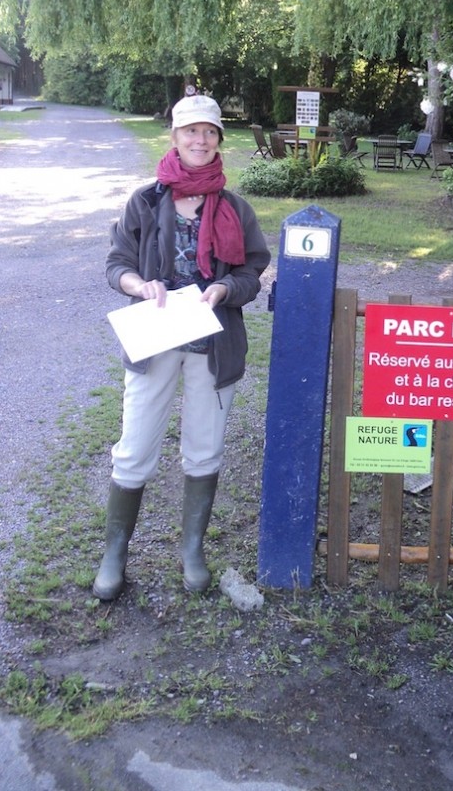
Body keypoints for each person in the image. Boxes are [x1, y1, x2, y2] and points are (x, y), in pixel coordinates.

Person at [94, 94, 271, 601]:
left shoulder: (235, 207)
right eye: (190, 131)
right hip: (155, 340)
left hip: (213, 344)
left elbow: (251, 270)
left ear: (219, 140)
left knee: (204, 447)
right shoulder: (145, 200)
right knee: (134, 449)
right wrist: (137, 285)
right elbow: (116, 263)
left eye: (209, 132)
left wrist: (224, 290)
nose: (199, 140)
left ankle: (192, 550)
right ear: (174, 137)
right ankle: (115, 553)